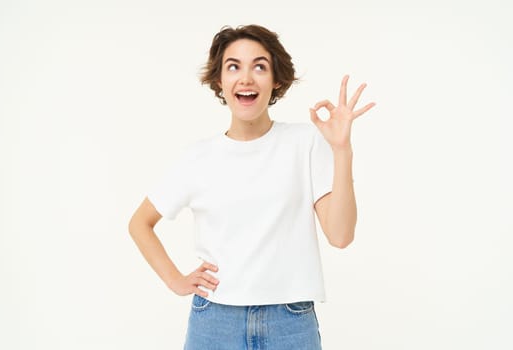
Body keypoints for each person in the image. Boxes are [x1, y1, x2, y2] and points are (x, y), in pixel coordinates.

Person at [128, 24, 375, 350]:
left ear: (276, 80)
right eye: (234, 67)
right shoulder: (197, 158)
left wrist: (342, 149)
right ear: (220, 81)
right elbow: (139, 224)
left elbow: (341, 236)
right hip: (215, 322)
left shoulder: (305, 143)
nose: (246, 78)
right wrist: (175, 280)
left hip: (290, 321)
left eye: (259, 66)